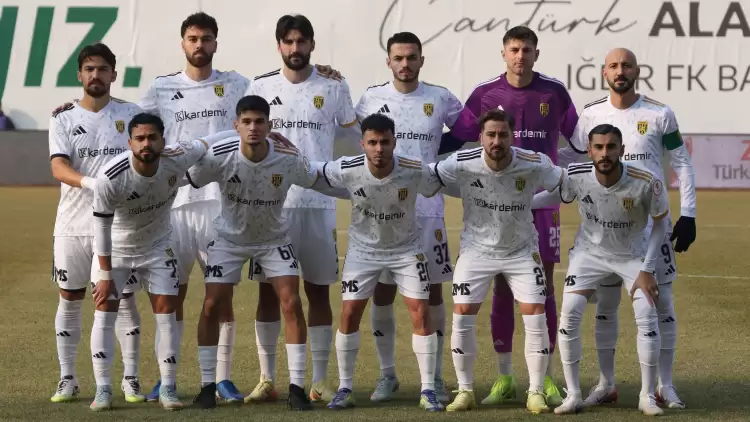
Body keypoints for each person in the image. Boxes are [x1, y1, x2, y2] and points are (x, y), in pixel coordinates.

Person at [136, 12, 343, 402]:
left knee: (223, 297)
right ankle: (168, 378)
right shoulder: (161, 87)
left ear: (216, 43)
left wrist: (321, 72)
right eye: (193, 38)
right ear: (183, 43)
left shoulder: (239, 84)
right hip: (178, 204)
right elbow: (134, 126)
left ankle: (224, 379)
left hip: (223, 205)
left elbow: (287, 87)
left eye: (206, 38)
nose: (200, 45)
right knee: (172, 294)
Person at [440, 26, 578, 406]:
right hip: (495, 207)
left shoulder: (554, 92)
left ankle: (545, 378)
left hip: (542, 205)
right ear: (504, 53)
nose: (520, 56)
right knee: (500, 287)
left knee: (543, 289)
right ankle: (504, 378)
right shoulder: (486, 94)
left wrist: (553, 169)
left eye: (526, 50)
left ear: (536, 53)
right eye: (514, 49)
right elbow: (456, 139)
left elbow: (580, 143)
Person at [186, 95, 346, 410]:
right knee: (211, 304)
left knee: (291, 302)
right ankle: (206, 387)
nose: (253, 127)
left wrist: (360, 188)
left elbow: (317, 179)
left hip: (273, 240)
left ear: (269, 125)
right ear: (236, 125)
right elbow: (185, 177)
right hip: (229, 240)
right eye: (246, 122)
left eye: (259, 121)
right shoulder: (220, 155)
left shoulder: (287, 157)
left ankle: (297, 389)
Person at [559, 48, 696, 409]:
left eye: (627, 65)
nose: (620, 71)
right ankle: (606, 384)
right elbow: (575, 159)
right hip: (606, 230)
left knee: (661, 303)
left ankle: (665, 385)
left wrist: (689, 213)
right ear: (604, 72)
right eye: (614, 66)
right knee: (605, 306)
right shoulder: (591, 114)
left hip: (651, 225)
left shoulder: (659, 113)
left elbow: (681, 162)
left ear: (637, 71)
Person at [244, 14, 358, 403]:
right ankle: (266, 379)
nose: (295, 48)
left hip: (318, 204)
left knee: (318, 291)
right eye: (288, 42)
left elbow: (353, 134)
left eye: (301, 41)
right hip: (271, 207)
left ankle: (320, 381)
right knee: (268, 294)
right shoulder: (260, 86)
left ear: (311, 44)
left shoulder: (333, 85)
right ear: (278, 45)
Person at [353, 31, 463, 404]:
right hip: (384, 211)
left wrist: (433, 155)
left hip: (427, 210)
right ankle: (387, 375)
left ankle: (435, 377)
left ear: (421, 60)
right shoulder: (371, 98)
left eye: (411, 57)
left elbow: (465, 131)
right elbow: (362, 138)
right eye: (398, 58)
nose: (405, 64)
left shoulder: (440, 97)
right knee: (383, 292)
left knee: (431, 291)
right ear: (388, 61)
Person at [432, 109, 563, 414]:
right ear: (481, 137)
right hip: (476, 251)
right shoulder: (462, 162)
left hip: (522, 251)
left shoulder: (533, 162)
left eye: (503, 134)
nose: (496, 141)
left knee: (535, 312)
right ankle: (465, 390)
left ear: (512, 136)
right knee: (462, 313)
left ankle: (535, 391)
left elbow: (563, 187)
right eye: (490, 134)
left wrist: (533, 201)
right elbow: (429, 179)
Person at [532, 124, 668, 416]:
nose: (604, 153)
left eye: (611, 147)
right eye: (598, 147)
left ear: (621, 149)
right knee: (570, 312)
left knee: (646, 314)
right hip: (589, 254)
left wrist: (647, 268)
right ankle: (574, 395)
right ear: (590, 150)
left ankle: (646, 396)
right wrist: (524, 203)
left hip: (633, 255)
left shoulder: (645, 180)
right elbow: (556, 196)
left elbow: (661, 222)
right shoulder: (577, 174)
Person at [89, 112, 216, 411]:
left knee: (167, 313)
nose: (146, 143)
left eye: (152, 137)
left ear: (163, 140)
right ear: (130, 143)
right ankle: (103, 389)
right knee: (104, 314)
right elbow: (101, 228)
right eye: (140, 138)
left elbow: (209, 142)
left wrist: (257, 136)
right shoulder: (111, 176)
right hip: (116, 250)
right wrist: (105, 275)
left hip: (158, 248)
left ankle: (168, 388)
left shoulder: (177, 158)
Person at [322, 113, 444, 411]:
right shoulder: (347, 168)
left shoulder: (414, 169)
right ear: (362, 143)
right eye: (373, 142)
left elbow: (441, 181)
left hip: (407, 250)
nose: (379, 149)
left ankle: (428, 389)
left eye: (385, 142)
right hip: (363, 252)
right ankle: (345, 388)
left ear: (394, 142)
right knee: (349, 313)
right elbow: (310, 173)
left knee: (420, 311)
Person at [48, 43, 144, 404]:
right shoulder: (63, 118)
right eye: (89, 69)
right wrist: (91, 183)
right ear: (79, 74)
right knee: (70, 298)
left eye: (103, 69)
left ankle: (131, 379)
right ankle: (68, 378)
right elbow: (58, 167)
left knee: (123, 299)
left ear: (113, 75)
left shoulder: (131, 115)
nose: (96, 75)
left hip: (120, 226)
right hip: (73, 225)